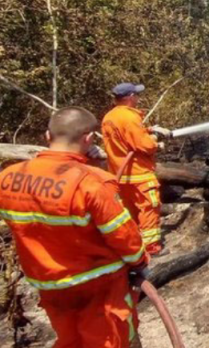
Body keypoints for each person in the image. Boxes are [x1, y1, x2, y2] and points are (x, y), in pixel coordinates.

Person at [0, 107, 148, 347]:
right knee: (111, 341)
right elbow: (123, 236)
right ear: (88, 139)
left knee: (70, 341)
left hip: (50, 286)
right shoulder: (91, 182)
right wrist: (140, 262)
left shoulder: (8, 177)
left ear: (47, 136)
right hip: (98, 287)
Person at [102, 83, 171, 256]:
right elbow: (144, 145)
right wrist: (156, 142)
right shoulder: (129, 117)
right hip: (139, 174)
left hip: (121, 175)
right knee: (149, 208)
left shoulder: (110, 117)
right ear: (130, 97)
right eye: (137, 95)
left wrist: (150, 129)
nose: (138, 98)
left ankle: (132, 245)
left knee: (129, 211)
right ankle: (151, 248)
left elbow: (127, 136)